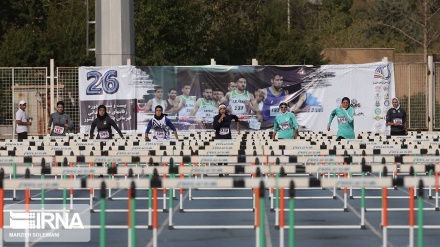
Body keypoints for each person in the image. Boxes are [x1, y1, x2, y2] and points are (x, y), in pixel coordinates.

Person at [213, 104, 240, 177]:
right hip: (219, 137)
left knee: (226, 154)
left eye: (224, 108)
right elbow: (215, 127)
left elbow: (236, 118)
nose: (222, 110)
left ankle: (225, 170)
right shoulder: (216, 117)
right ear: (219, 110)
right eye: (221, 108)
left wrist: (238, 128)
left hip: (227, 137)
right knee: (219, 155)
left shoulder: (229, 116)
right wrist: (221, 118)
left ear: (225, 109)